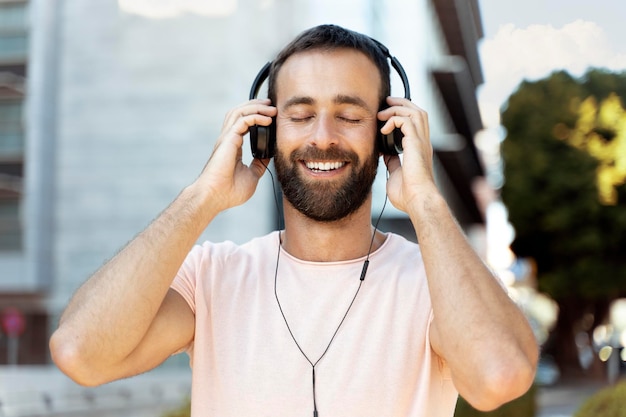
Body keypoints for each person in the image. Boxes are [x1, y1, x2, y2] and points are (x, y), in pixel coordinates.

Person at [50, 24, 538, 417]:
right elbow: (80, 354)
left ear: (388, 136)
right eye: (300, 114)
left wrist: (427, 201)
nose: (322, 137)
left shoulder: (435, 284)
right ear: (264, 133)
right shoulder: (211, 277)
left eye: (349, 115)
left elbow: (501, 377)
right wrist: (201, 197)